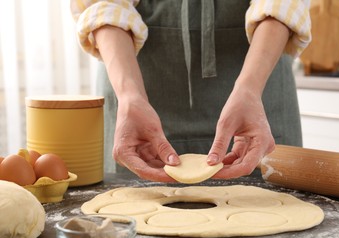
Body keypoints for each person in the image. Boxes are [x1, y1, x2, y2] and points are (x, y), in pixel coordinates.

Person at [71, 0, 311, 182]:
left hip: (259, 91)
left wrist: (249, 89)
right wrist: (130, 96)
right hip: (137, 97)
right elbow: (103, 5)